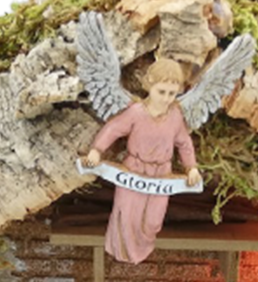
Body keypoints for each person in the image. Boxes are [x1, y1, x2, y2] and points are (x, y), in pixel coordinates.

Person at [82, 58, 201, 264]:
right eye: (161, 92)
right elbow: (113, 129)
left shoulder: (175, 116)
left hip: (161, 173)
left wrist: (191, 168)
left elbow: (184, 143)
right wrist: (96, 151)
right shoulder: (136, 112)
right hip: (134, 169)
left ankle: (142, 250)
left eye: (171, 93)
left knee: (153, 221)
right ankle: (123, 252)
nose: (166, 98)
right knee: (127, 214)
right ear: (150, 85)